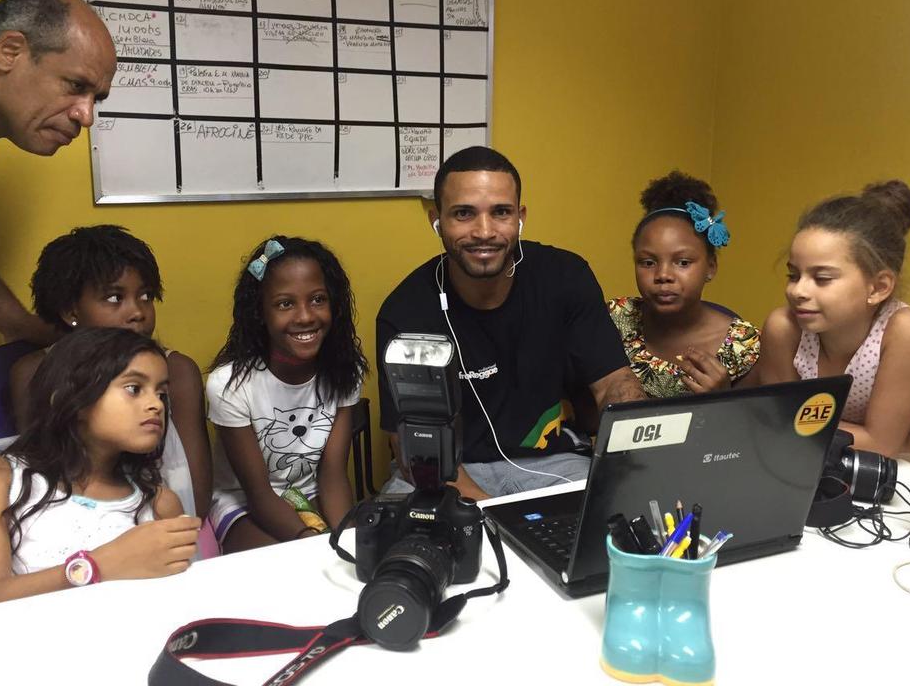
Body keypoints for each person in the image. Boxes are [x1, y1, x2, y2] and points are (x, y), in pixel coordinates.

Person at [376, 146, 646, 500]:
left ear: (520, 217)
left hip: (553, 463)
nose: (484, 231)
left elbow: (614, 383)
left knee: (615, 518)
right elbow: (413, 451)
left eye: (500, 212)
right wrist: (498, 518)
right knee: (402, 540)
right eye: (464, 214)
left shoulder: (565, 277)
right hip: (443, 472)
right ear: (436, 220)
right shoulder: (406, 311)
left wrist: (637, 458)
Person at [0, 327, 201, 609]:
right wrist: (99, 565)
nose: (156, 405)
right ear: (68, 396)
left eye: (161, 393)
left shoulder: (161, 504)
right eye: (134, 389)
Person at [0, 0, 115, 343]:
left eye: (95, 98)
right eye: (75, 85)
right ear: (9, 51)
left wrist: (22, 328)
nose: (86, 116)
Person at [8, 225, 211, 518]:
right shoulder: (34, 372)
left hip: (167, 517)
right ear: (71, 312)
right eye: (115, 298)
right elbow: (35, 474)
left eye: (146, 295)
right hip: (65, 520)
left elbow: (196, 496)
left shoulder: (176, 371)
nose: (138, 311)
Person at [756, 180, 910, 467]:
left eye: (822, 278)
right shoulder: (783, 328)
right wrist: (903, 441)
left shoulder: (904, 331)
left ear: (878, 287)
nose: (798, 291)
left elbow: (880, 447)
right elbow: (777, 426)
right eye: (794, 275)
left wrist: (885, 442)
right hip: (800, 466)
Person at [207, 236, 367, 553]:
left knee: (352, 556)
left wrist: (346, 537)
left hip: (312, 494)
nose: (305, 316)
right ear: (260, 313)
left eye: (318, 299)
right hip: (245, 504)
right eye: (285, 304)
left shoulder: (346, 372)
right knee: (286, 569)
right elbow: (259, 494)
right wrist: (309, 542)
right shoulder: (229, 386)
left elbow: (333, 475)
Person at [608, 171, 759, 398]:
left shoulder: (742, 345)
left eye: (683, 262)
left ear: (710, 267)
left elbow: (750, 425)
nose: (663, 275)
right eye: (648, 262)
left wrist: (722, 397)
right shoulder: (615, 320)